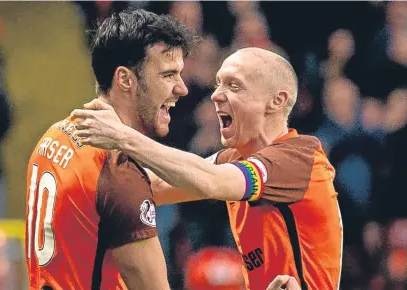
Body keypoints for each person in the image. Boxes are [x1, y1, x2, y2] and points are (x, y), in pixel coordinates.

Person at [71, 47, 343, 290]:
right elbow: (155, 187)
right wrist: (83, 171)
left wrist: (123, 137)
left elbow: (209, 181)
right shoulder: (234, 159)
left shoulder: (299, 157)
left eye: (233, 86)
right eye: (217, 84)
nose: (215, 95)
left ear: (276, 101)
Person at [25, 8, 197, 290]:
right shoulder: (118, 170)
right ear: (125, 79)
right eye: (168, 75)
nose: (182, 88)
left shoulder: (55, 135)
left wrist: (226, 169)